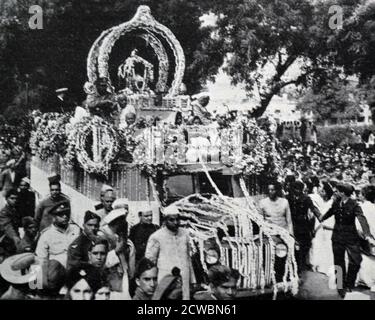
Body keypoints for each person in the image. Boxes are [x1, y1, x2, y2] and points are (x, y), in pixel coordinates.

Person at [320, 183, 375, 297]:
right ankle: (340, 285)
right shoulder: (336, 203)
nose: (335, 193)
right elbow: (329, 213)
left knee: (356, 260)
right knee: (338, 261)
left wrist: (368, 235)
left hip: (351, 237)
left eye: (337, 191)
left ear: (343, 193)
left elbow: (362, 219)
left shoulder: (354, 204)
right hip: (337, 236)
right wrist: (322, 217)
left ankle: (349, 283)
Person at [145, 204, 194, 300]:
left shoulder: (185, 234)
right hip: (166, 280)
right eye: (171, 220)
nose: (175, 222)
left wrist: (192, 279)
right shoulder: (156, 237)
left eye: (177, 219)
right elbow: (150, 262)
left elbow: (188, 258)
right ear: (165, 220)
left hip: (184, 279)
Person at [287, 181, 322, 272]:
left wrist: (321, 217)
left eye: (299, 189)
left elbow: (314, 208)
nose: (297, 191)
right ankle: (293, 266)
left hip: (303, 224)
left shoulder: (306, 198)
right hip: (291, 223)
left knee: (304, 245)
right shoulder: (289, 198)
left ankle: (300, 265)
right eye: (295, 189)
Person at [35, 201, 80, 268]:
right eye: (61, 214)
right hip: (58, 271)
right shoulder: (46, 235)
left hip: (76, 268)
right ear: (54, 217)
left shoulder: (76, 229)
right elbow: (41, 259)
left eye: (67, 213)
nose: (65, 216)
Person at [309, 181, 335, 275]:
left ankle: (328, 268)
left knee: (328, 247)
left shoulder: (332, 203)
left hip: (329, 228)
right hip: (320, 228)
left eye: (322, 190)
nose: (320, 192)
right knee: (318, 246)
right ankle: (318, 265)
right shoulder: (320, 201)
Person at [357, 185, 375, 289]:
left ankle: (366, 280)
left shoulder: (361, 208)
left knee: (365, 258)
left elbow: (358, 226)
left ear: (364, 195)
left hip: (364, 237)